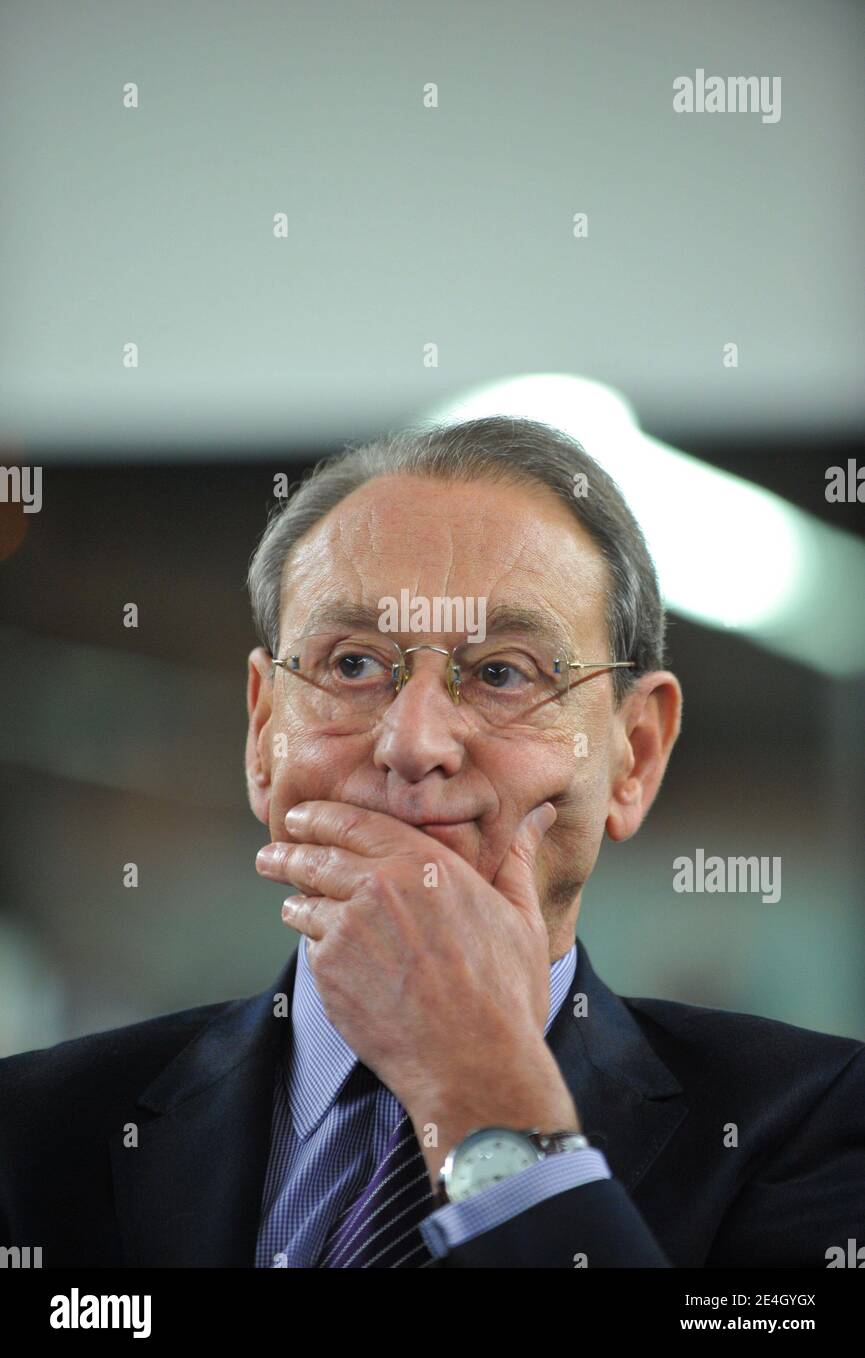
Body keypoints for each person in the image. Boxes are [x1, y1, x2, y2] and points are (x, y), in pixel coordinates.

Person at [1, 416, 862, 1268]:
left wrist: (481, 1087)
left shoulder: (814, 1121)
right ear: (263, 734)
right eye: (351, 665)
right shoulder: (31, 1132)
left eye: (501, 672)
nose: (413, 744)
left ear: (633, 755)